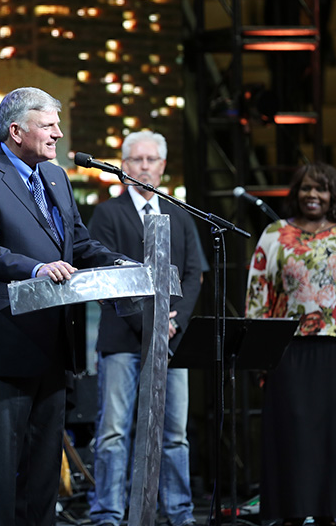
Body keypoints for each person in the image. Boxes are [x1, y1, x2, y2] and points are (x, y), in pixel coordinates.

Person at [0, 86, 126, 526]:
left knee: (44, 474)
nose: (58, 134)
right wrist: (37, 269)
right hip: (3, 348)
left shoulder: (56, 177)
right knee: (0, 473)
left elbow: (79, 243)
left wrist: (121, 264)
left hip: (52, 348)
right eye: (48, 126)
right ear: (16, 130)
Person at [245, 162, 336, 524]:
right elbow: (259, 294)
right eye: (306, 188)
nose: (313, 195)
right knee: (293, 436)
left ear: (333, 195)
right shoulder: (275, 234)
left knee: (332, 438)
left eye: (321, 189)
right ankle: (292, 512)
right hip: (288, 352)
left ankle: (328, 514)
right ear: (297, 192)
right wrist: (257, 351)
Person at [86, 130, 203, 526]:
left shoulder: (180, 215)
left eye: (152, 160)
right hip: (123, 340)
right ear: (124, 167)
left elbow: (193, 276)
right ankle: (107, 512)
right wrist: (150, 323)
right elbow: (104, 277)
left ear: (163, 166)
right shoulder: (107, 214)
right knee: (114, 432)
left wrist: (175, 322)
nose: (145, 166)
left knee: (174, 434)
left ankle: (178, 511)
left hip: (172, 341)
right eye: (137, 160)